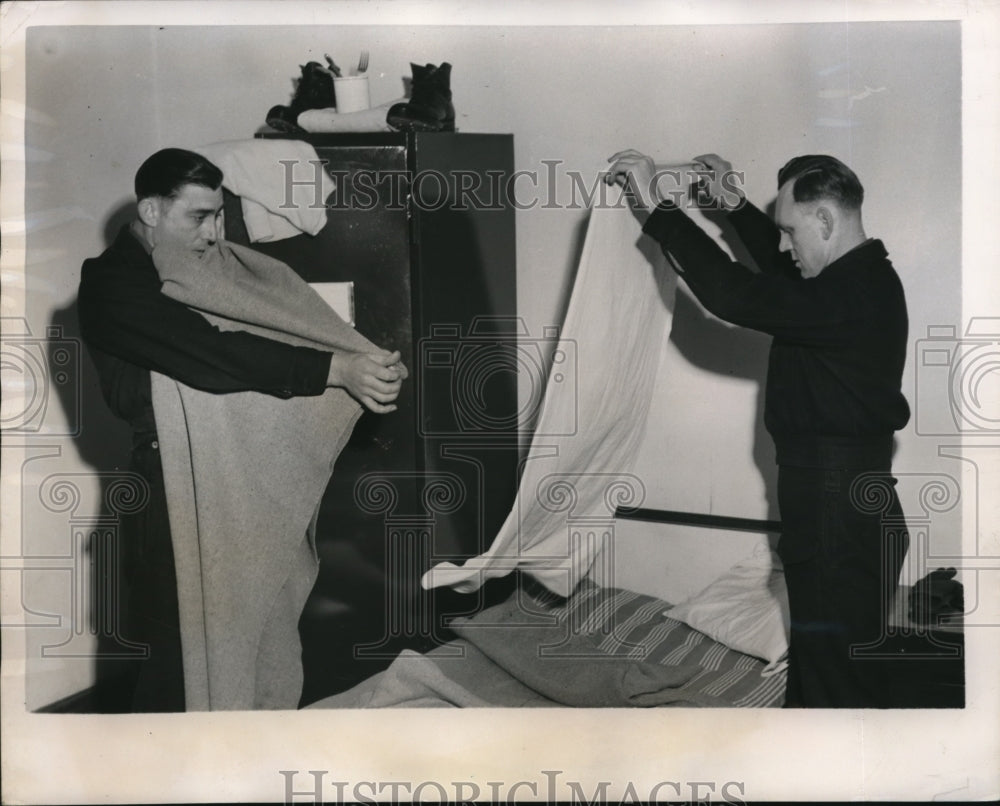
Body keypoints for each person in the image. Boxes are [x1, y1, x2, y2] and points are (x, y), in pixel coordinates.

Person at [78, 147, 407, 711]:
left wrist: (352, 353)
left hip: (237, 486)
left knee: (257, 636)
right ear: (151, 212)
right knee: (179, 663)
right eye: (197, 218)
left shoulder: (200, 269)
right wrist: (335, 369)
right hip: (167, 492)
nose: (212, 234)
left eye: (218, 216)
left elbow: (273, 322)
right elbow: (211, 352)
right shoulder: (112, 284)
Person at [606, 149, 911, 707]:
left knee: (830, 685)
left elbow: (734, 294)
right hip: (844, 503)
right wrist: (733, 206)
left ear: (825, 219)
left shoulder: (851, 294)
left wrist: (656, 207)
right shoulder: (855, 282)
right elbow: (779, 278)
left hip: (835, 507)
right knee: (835, 670)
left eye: (792, 231)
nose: (788, 247)